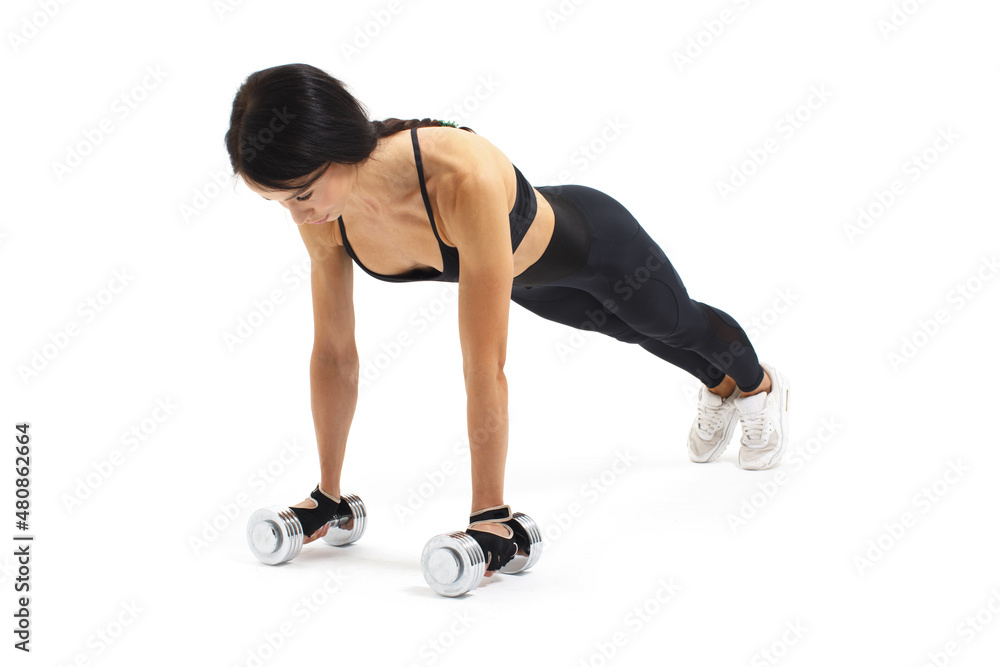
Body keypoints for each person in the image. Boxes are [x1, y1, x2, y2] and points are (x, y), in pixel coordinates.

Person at [225, 63, 790, 576]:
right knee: (630, 332)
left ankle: (758, 386)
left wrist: (489, 516)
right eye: (281, 203)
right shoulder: (325, 211)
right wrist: (327, 493)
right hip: (529, 284)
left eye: (301, 195)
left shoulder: (456, 173)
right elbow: (333, 353)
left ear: (338, 146)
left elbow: (484, 368)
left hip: (599, 247)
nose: (299, 215)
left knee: (673, 324)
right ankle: (717, 385)